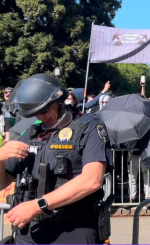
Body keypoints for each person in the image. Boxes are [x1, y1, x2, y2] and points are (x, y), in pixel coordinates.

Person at [0, 73, 113, 244]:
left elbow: (92, 180)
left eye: (44, 110)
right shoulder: (31, 132)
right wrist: (1, 158)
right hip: (31, 230)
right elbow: (2, 183)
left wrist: (37, 205)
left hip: (74, 228)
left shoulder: (90, 127)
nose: (41, 116)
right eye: (35, 113)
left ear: (60, 102)